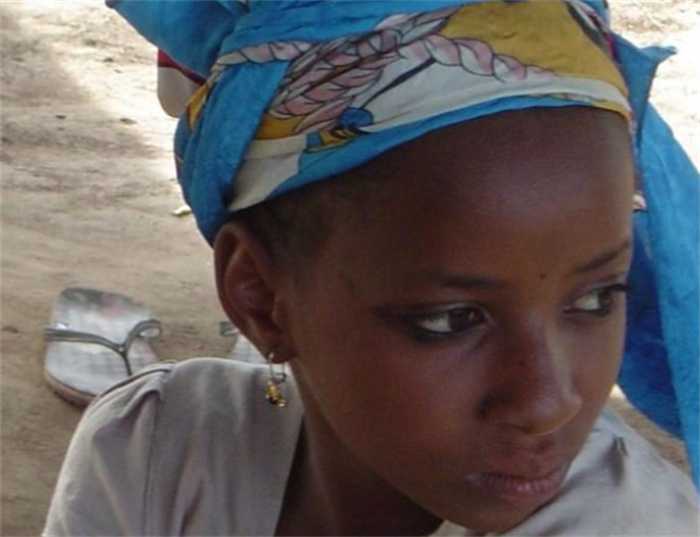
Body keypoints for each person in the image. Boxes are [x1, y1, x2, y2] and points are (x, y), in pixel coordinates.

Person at [44, 0, 699, 535]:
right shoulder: (153, 453)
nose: (548, 403)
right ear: (260, 297)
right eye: (452, 319)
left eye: (596, 298)